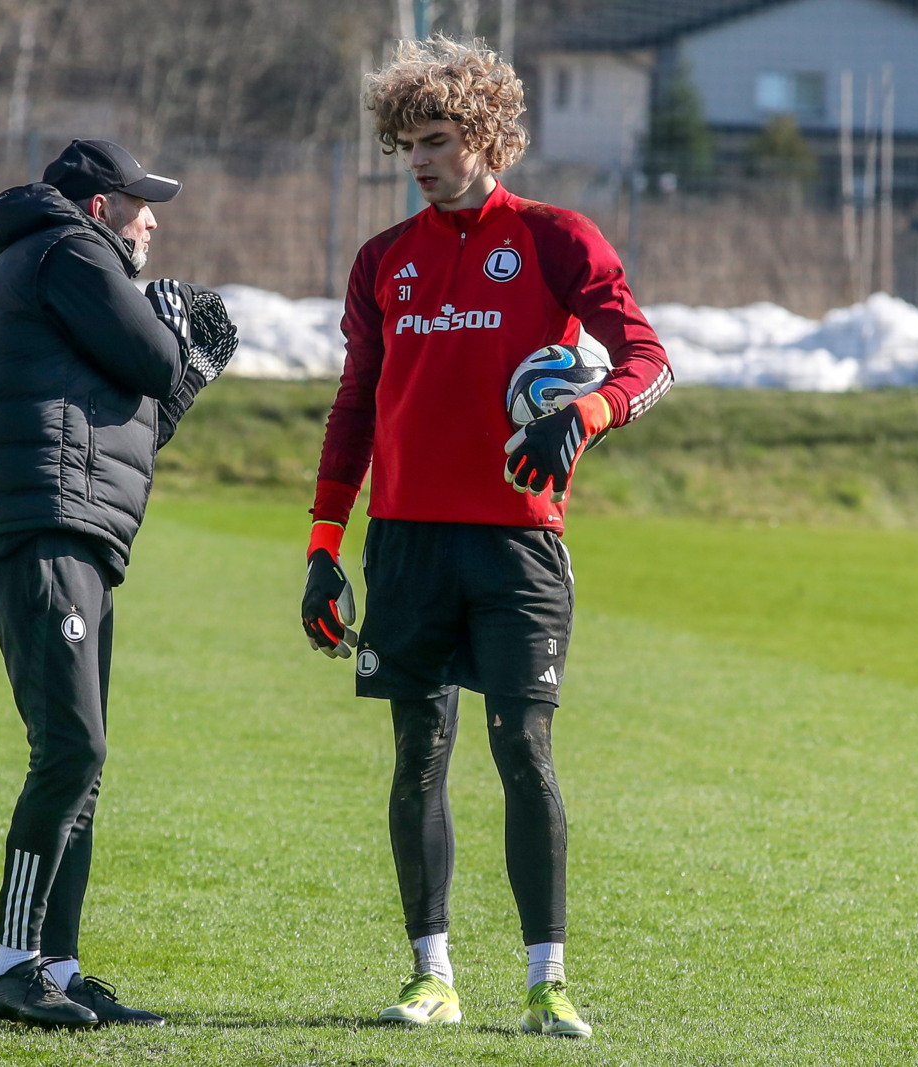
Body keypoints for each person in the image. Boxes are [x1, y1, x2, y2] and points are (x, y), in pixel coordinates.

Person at [300, 38, 673, 1039]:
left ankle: (547, 980)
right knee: (417, 754)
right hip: (408, 543)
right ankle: (432, 974)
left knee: (523, 749)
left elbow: (648, 357)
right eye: (405, 143)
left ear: (487, 135)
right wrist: (322, 542)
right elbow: (354, 404)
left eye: (436, 140)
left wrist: (587, 411)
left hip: (517, 545)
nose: (419, 160)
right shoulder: (384, 259)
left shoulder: (554, 239)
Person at [0, 138, 237, 1028]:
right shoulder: (71, 251)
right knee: (73, 750)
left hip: (71, 528)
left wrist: (169, 371)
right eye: (138, 202)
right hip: (46, 527)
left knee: (81, 764)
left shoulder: (52, 256)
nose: (150, 219)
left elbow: (128, 410)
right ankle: (13, 965)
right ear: (97, 207)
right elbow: (154, 363)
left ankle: (58, 967)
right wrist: (181, 357)